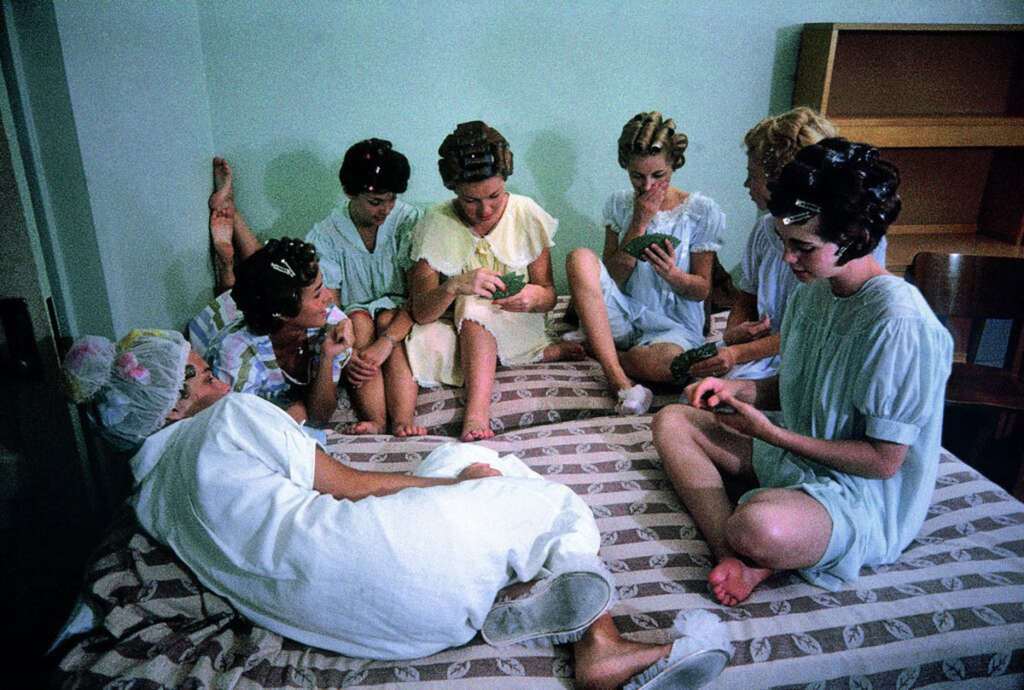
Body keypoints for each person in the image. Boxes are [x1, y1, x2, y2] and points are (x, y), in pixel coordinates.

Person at [62, 329, 729, 689]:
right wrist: (463, 492)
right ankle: (601, 645)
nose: (219, 378)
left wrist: (461, 478)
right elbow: (345, 487)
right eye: (201, 375)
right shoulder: (231, 417)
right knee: (548, 498)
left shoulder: (150, 499)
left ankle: (515, 587)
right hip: (396, 567)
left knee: (451, 455)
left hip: (370, 628)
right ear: (173, 406)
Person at [652, 138, 953, 607]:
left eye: (803, 247)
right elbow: (803, 387)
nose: (788, 259)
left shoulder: (900, 323)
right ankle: (733, 556)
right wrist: (737, 389)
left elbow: (881, 461)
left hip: (861, 497)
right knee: (672, 419)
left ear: (854, 239)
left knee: (759, 524)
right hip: (802, 460)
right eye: (782, 242)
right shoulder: (815, 292)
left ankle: (753, 546)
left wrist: (770, 435)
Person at [199, 147, 425, 437]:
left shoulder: (408, 222)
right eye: (376, 202)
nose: (387, 208)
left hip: (392, 312)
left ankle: (231, 238)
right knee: (253, 289)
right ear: (348, 192)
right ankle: (228, 263)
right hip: (340, 314)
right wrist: (350, 351)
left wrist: (368, 346)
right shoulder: (326, 236)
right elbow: (312, 298)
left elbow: (414, 297)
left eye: (392, 199)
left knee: (374, 318)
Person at [405, 121, 582, 441]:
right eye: (470, 200)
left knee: (475, 307)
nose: (484, 209)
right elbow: (421, 313)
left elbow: (549, 295)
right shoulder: (434, 221)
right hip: (453, 325)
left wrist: (534, 297)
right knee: (424, 341)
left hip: (513, 318)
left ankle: (475, 414)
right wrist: (453, 286)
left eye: (494, 196)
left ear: (505, 183)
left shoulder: (526, 213)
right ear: (454, 190)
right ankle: (535, 354)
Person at [687, 107, 885, 380]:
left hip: (809, 353)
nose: (746, 184)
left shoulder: (836, 244)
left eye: (752, 175)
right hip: (762, 351)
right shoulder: (764, 229)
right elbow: (747, 296)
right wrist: (733, 334)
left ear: (778, 183)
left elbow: (815, 329)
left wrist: (739, 354)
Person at [564, 111, 724, 414]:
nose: (647, 185)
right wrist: (638, 223)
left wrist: (674, 275)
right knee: (579, 258)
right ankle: (620, 382)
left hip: (674, 327)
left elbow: (703, 290)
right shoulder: (619, 204)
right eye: (637, 176)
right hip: (625, 313)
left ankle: (603, 351)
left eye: (657, 176)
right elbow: (613, 277)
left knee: (675, 366)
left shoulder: (702, 210)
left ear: (673, 165)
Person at [202, 237, 354, 427]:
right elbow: (242, 429)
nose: (329, 297)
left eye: (322, 286)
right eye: (317, 294)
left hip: (263, 311)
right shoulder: (236, 357)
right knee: (229, 303)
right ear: (284, 312)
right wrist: (295, 411)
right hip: (215, 322)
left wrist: (327, 357)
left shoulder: (328, 320)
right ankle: (227, 266)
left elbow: (319, 417)